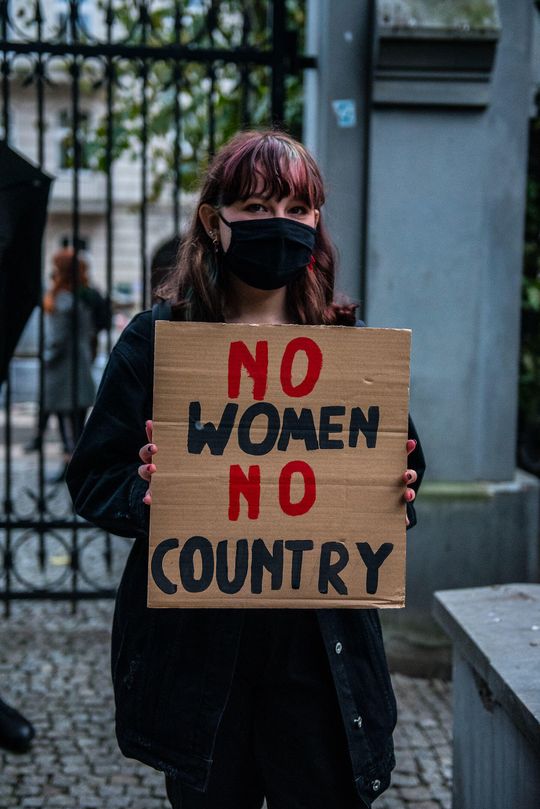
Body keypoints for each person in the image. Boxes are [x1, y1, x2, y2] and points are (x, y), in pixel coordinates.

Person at [66, 130, 425, 809]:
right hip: (201, 661)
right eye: (256, 208)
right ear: (214, 220)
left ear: (316, 220)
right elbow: (95, 478)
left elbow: (399, 463)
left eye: (296, 208)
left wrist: (396, 489)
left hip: (318, 658)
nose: (278, 224)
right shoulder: (156, 342)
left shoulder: (345, 346)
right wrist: (146, 491)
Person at [42, 247, 96, 481]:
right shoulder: (82, 297)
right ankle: (78, 467)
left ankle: (71, 468)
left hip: (63, 370)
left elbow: (58, 340)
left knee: (66, 425)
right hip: (80, 366)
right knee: (77, 424)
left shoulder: (63, 300)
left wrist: (45, 358)